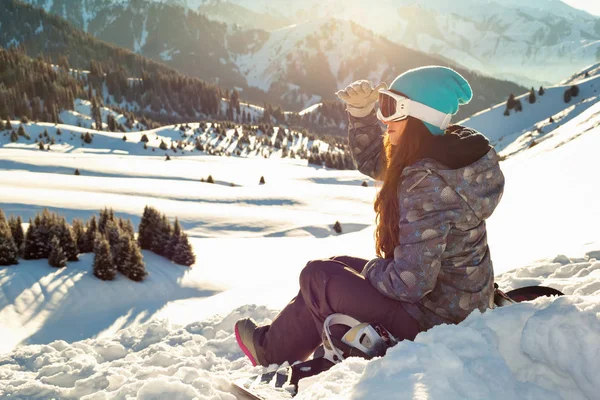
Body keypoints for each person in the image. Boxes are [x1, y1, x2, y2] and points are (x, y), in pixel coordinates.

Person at [235, 66, 505, 367]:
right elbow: (375, 160)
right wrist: (361, 114)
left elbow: (410, 283)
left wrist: (374, 269)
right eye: (383, 104)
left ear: (419, 116)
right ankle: (273, 348)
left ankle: (282, 354)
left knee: (317, 277)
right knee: (339, 266)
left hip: (435, 322)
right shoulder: (440, 154)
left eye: (391, 108)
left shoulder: (427, 183)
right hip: (456, 306)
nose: (383, 117)